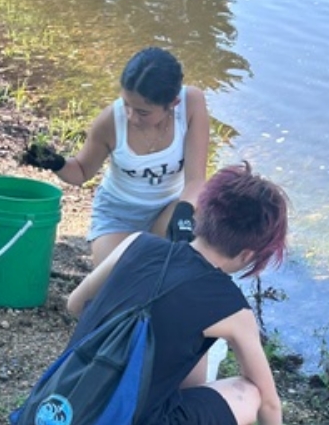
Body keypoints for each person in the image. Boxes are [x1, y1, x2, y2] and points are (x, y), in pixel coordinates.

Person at [51, 161, 299, 425]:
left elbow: (74, 304)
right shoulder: (231, 309)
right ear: (249, 254)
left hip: (56, 421)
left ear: (202, 215)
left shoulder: (137, 244)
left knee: (200, 347)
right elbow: (267, 402)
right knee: (248, 393)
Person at [22, 47, 210, 266]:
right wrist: (57, 163)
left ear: (172, 104)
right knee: (117, 278)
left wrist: (184, 215)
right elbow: (81, 171)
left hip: (169, 208)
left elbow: (196, 181)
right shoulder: (110, 121)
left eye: (143, 112)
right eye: (127, 104)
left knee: (187, 262)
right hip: (118, 215)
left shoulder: (191, 103)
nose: (131, 116)